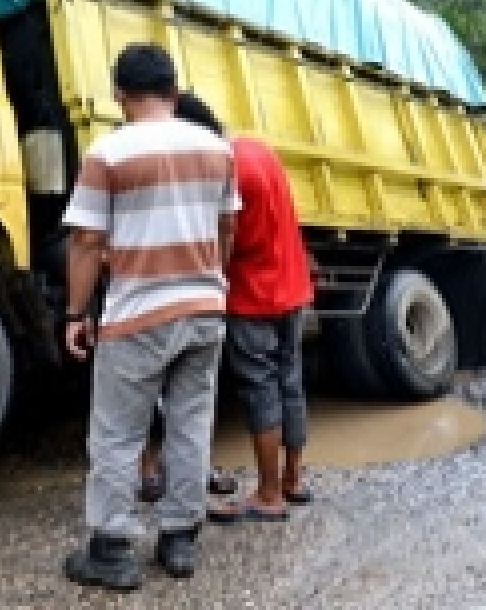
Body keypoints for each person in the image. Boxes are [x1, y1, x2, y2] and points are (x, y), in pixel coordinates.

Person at [61, 44, 239, 591]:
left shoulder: (109, 153)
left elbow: (88, 242)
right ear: (175, 90)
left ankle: (112, 548)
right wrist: (209, 277)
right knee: (190, 423)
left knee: (118, 433)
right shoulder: (216, 148)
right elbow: (227, 229)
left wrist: (74, 313)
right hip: (205, 307)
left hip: (138, 312)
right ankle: (180, 539)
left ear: (119, 94)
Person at [163, 94, 314, 522]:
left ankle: (268, 495)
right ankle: (292, 480)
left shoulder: (223, 170)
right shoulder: (259, 150)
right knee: (290, 381)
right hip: (292, 287)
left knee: (260, 388)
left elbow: (226, 240)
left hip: (253, 294)